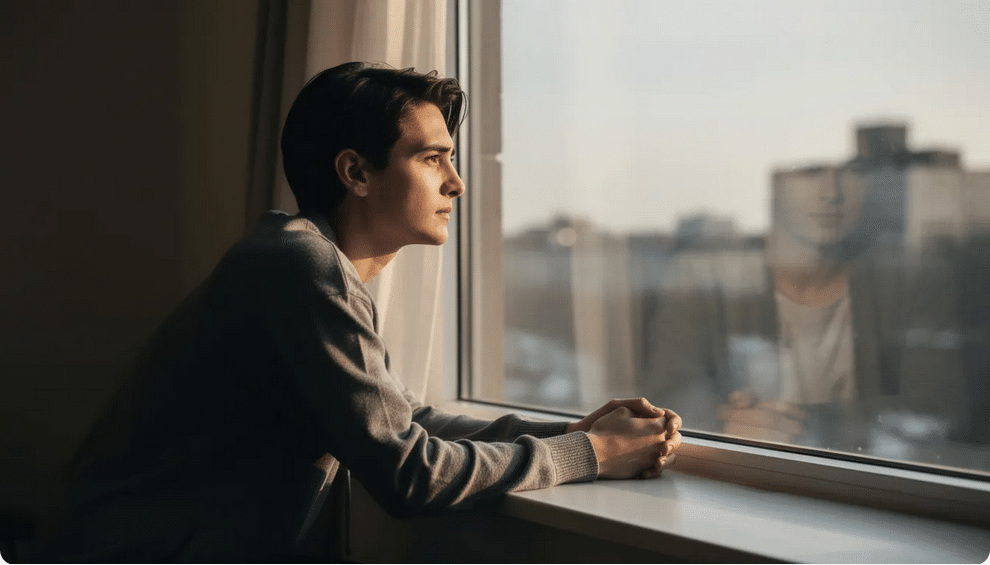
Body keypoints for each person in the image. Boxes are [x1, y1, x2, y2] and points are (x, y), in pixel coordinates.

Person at [33, 62, 682, 562]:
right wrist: (590, 451)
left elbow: (403, 419)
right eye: (432, 158)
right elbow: (410, 472)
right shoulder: (299, 267)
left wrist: (565, 432)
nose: (455, 181)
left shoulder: (302, 259)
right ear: (356, 172)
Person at [641, 162, 963, 451]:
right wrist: (718, 425)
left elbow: (937, 407)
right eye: (810, 171)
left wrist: (790, 425)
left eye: (849, 172)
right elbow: (669, 394)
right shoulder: (706, 276)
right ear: (773, 179)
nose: (830, 193)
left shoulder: (911, 277)